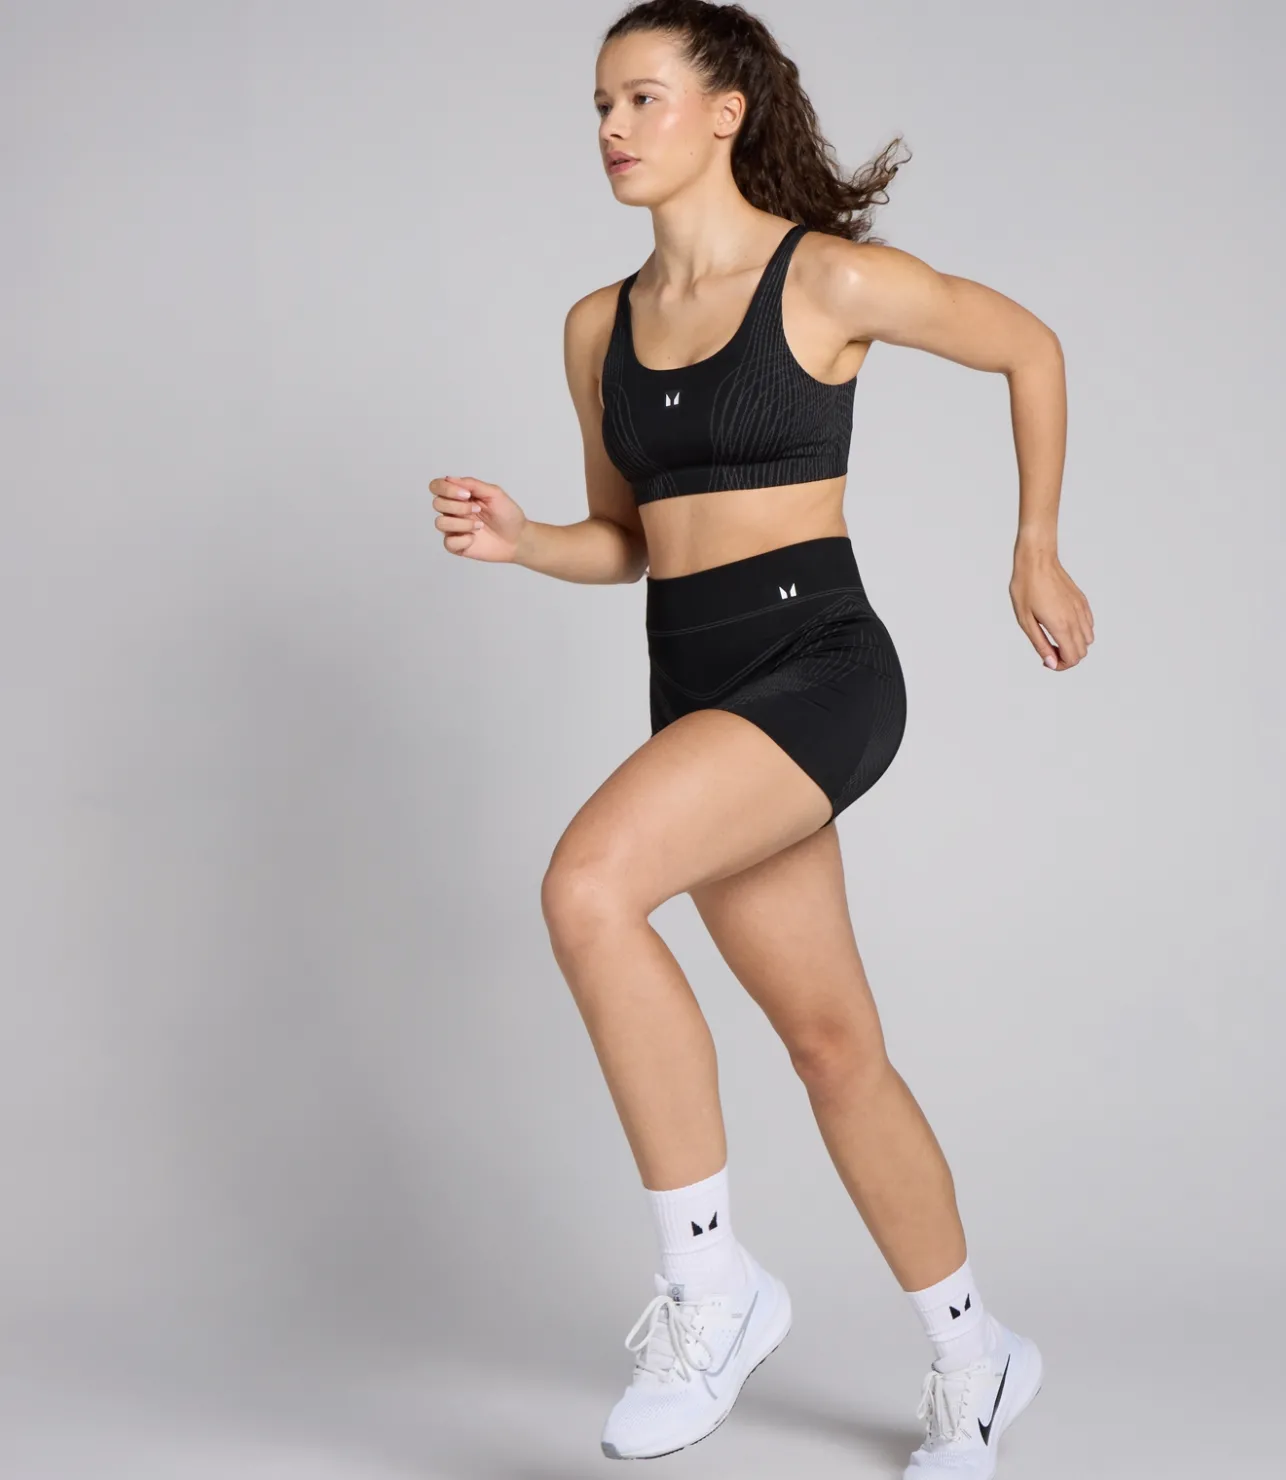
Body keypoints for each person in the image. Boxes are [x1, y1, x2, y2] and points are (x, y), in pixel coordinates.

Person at [427, 1, 1093, 1473]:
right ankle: (977, 1354)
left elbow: (1029, 348)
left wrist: (1035, 546)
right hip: (694, 682)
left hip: (818, 668)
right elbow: (630, 542)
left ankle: (711, 1286)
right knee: (834, 1046)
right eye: (599, 105)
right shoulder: (596, 327)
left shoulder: (826, 278)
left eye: (642, 98)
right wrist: (529, 540)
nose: (612, 128)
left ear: (725, 112)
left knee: (588, 887)